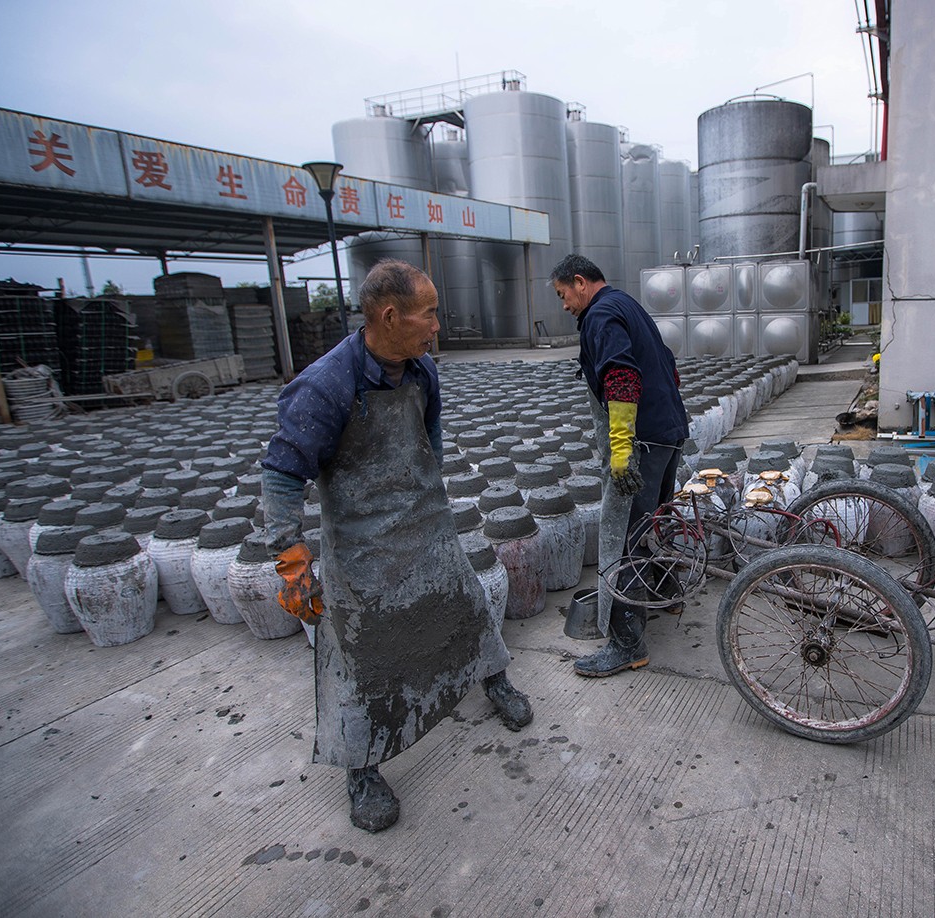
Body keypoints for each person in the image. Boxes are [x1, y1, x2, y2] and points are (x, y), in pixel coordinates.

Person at [261, 259, 532, 834]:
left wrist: (426, 486)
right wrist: (292, 566)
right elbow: (282, 477)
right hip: (362, 549)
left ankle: (495, 681)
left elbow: (427, 435)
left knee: (465, 608)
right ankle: (361, 768)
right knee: (357, 657)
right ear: (391, 315)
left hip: (427, 527)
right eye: (429, 313)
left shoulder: (421, 370)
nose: (437, 324)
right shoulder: (326, 386)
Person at [550, 253, 688, 678]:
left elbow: (622, 378)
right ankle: (667, 591)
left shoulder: (600, 314)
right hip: (668, 432)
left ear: (579, 282)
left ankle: (627, 644)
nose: (564, 305)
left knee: (625, 539)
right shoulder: (627, 304)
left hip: (643, 442)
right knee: (653, 522)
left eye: (562, 295)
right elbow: (668, 364)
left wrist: (622, 449)